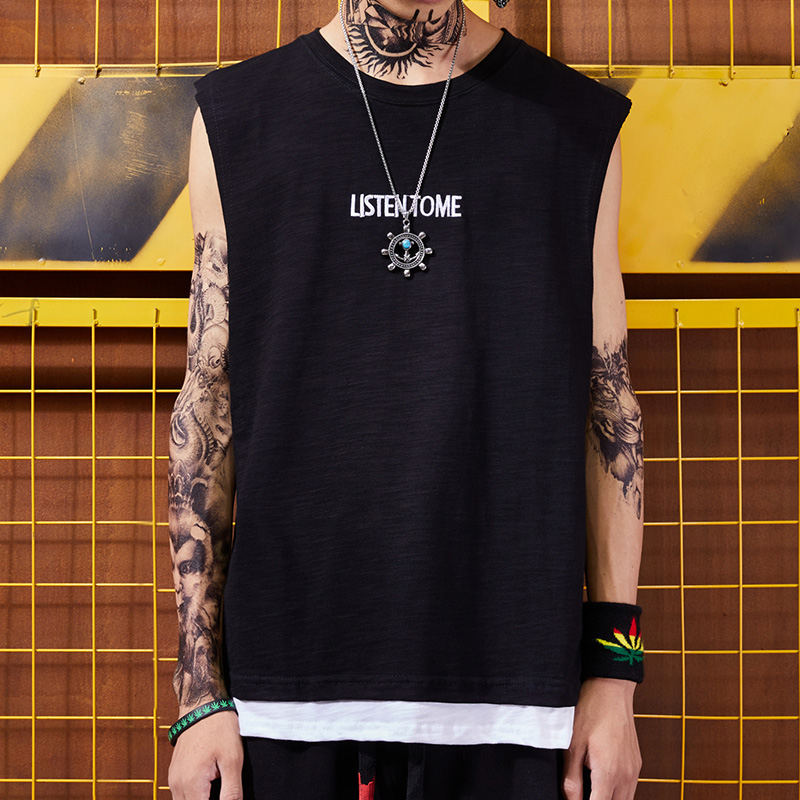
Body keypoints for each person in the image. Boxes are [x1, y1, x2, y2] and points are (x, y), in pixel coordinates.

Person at [166, 0, 645, 798]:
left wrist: (615, 673)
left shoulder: (576, 123)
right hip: (283, 701)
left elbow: (609, 403)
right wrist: (198, 694)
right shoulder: (239, 115)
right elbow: (207, 401)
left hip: (516, 703)